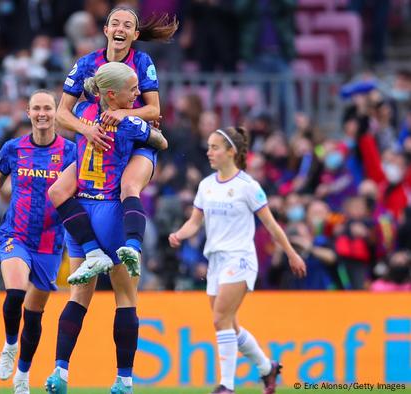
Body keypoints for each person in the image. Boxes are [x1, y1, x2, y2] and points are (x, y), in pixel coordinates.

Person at [45, 62, 168, 394]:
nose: (137, 94)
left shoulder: (84, 110)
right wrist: (147, 124)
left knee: (77, 298)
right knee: (126, 298)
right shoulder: (127, 122)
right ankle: (124, 380)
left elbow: (65, 113)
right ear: (113, 94)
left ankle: (59, 372)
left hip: (79, 212)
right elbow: (161, 142)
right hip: (110, 211)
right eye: (132, 90)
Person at [168, 126, 307, 394]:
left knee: (220, 318)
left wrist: (291, 253)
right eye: (208, 146)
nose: (209, 152)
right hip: (216, 261)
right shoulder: (206, 185)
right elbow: (195, 222)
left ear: (231, 151)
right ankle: (267, 368)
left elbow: (272, 226)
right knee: (230, 324)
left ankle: (226, 386)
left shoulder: (248, 187)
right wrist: (179, 234)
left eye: (215, 147)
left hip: (241, 258)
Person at [49, 6, 178, 281]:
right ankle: (93, 253)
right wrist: (87, 131)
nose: (120, 29)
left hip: (135, 142)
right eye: (115, 23)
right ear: (106, 30)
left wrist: (123, 114)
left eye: (127, 25)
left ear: (135, 34)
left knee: (129, 186)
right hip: (97, 144)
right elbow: (61, 114)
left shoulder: (142, 63)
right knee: (58, 190)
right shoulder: (85, 64)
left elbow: (154, 110)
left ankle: (132, 247)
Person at [0, 90, 76, 394]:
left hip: (51, 241)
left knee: (34, 315)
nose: (42, 113)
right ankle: (10, 345)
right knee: (15, 293)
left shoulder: (70, 151)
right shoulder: (14, 149)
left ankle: (22, 375)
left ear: (55, 112)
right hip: (16, 234)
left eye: (47, 108)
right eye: (36, 108)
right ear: (28, 113)